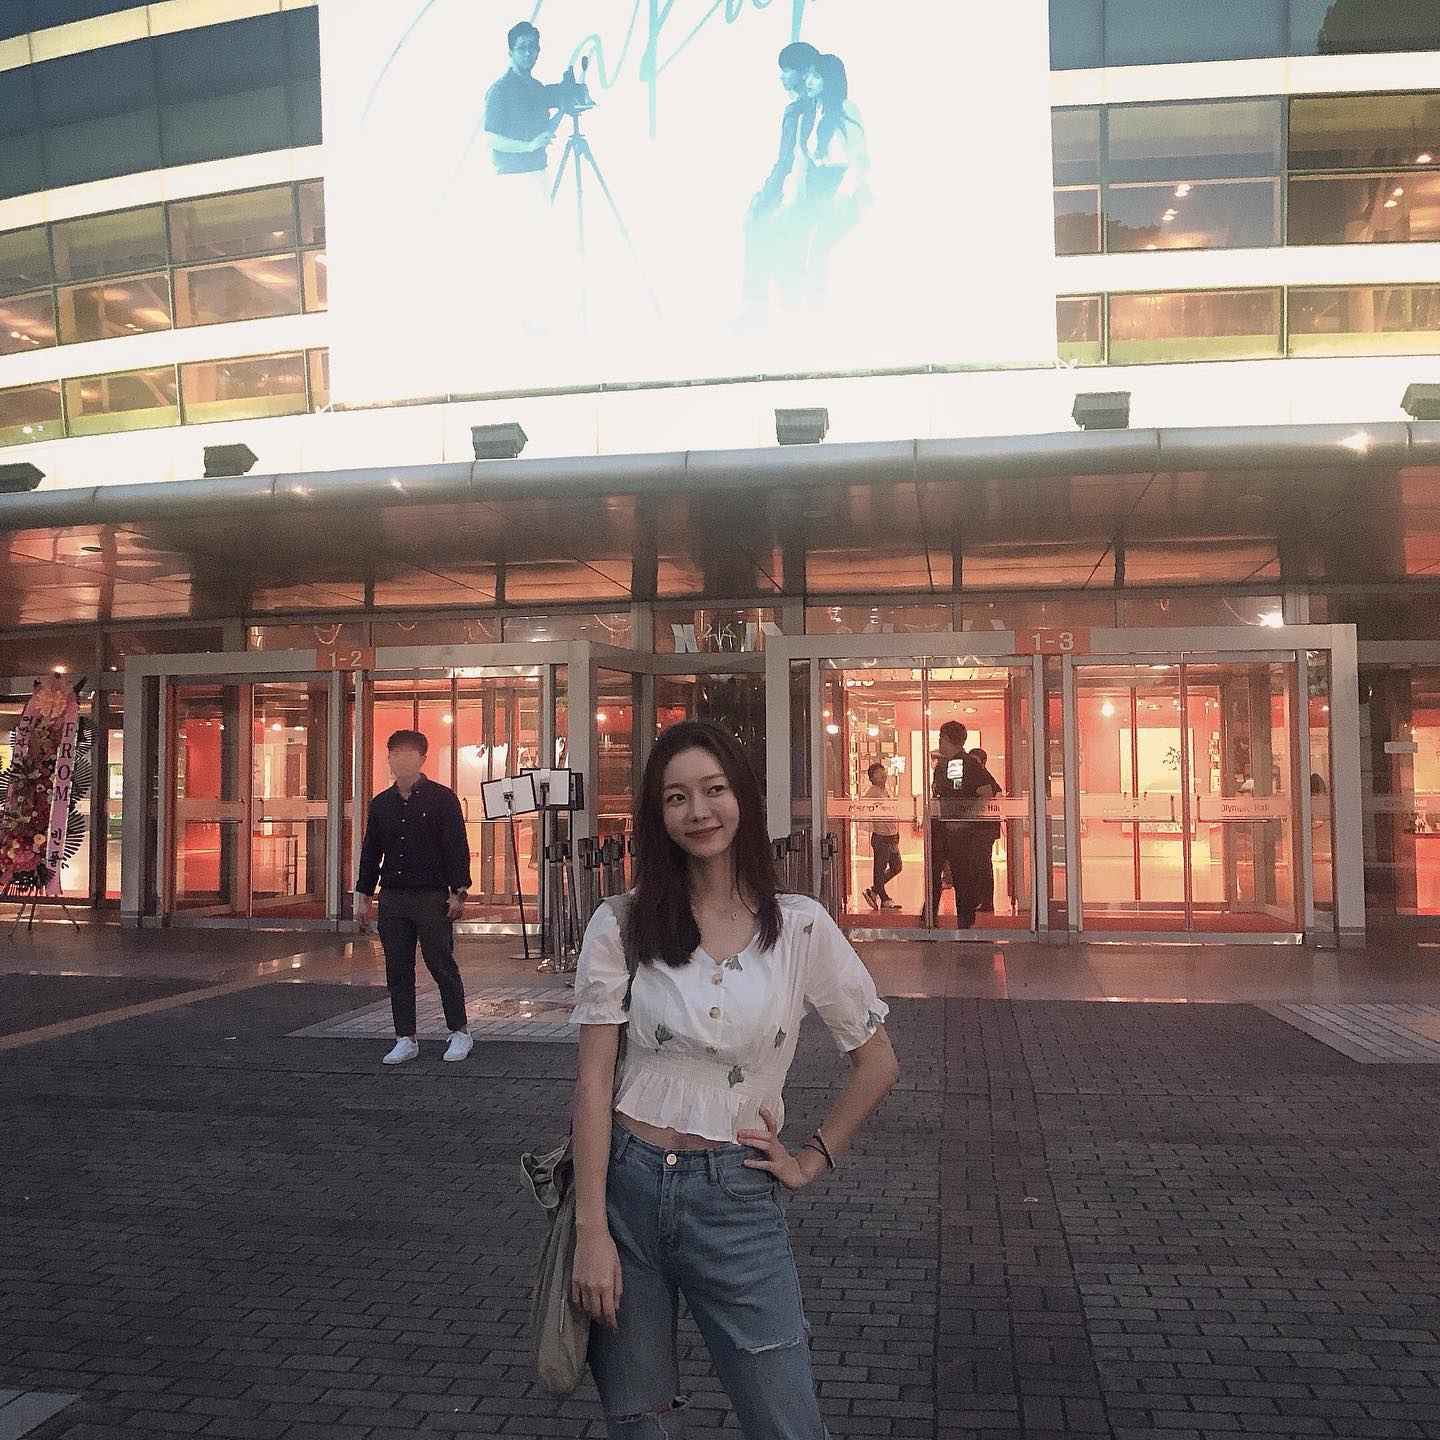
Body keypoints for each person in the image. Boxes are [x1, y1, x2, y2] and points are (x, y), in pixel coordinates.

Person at [568, 720, 900, 1436]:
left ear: (743, 798)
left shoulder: (800, 927)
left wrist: (812, 1159)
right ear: (657, 814)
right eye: (676, 797)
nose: (699, 811)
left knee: (785, 1419)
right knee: (640, 1419)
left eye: (714, 790)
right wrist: (591, 1231)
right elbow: (593, 1083)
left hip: (736, 1195)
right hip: (626, 1189)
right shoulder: (621, 923)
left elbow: (877, 1060)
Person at [355, 730, 473, 1066]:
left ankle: (459, 1031)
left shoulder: (442, 799)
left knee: (440, 963)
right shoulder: (381, 803)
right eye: (395, 754)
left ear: (422, 759)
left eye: (409, 754)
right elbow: (371, 851)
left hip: (431, 895)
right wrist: (363, 894)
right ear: (389, 759)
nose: (401, 761)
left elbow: (456, 848)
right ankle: (405, 1037)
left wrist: (459, 892)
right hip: (393, 897)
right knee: (397, 968)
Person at [481, 21, 564, 333]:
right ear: (511, 51)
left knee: (540, 248)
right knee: (520, 251)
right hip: (513, 181)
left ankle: (539, 315)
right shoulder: (500, 90)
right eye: (523, 48)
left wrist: (562, 110)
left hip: (538, 175)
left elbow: (543, 135)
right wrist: (527, 146)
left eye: (534, 48)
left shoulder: (537, 88)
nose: (529, 54)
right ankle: (521, 320)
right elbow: (490, 137)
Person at [737, 41, 819, 325]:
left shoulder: (801, 110)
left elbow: (788, 160)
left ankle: (763, 306)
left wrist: (766, 196)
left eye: (787, 70)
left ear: (803, 72)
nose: (781, 76)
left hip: (800, 191)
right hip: (800, 189)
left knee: (762, 230)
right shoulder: (806, 107)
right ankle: (774, 305)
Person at [789, 52, 871, 306]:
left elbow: (859, 159)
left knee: (818, 249)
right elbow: (802, 158)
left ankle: (815, 305)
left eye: (816, 76)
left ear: (830, 79)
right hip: (816, 184)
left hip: (840, 185)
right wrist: (796, 191)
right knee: (795, 242)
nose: (809, 81)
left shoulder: (846, 109)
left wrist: (843, 195)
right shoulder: (810, 112)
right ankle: (798, 302)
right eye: (808, 76)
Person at [929, 721, 998, 929]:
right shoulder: (945, 765)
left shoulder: (968, 764)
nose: (939, 742)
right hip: (942, 826)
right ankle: (929, 916)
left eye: (941, 738)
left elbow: (986, 792)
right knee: (935, 872)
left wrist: (965, 818)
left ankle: (965, 920)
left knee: (961, 875)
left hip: (959, 832)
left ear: (948, 739)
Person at [861, 760, 902, 912]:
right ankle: (884, 898)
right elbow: (866, 810)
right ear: (872, 778)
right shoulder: (873, 793)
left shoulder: (886, 790)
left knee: (897, 866)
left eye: (883, 770)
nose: (883, 774)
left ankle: (874, 891)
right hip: (881, 836)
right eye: (878, 773)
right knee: (880, 868)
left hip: (892, 835)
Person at [968, 747, 1003, 915]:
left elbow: (992, 795)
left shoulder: (984, 777)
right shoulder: (979, 776)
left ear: (982, 762)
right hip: (980, 828)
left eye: (975, 761)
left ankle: (986, 901)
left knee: (982, 864)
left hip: (984, 828)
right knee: (977, 864)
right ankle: (980, 899)